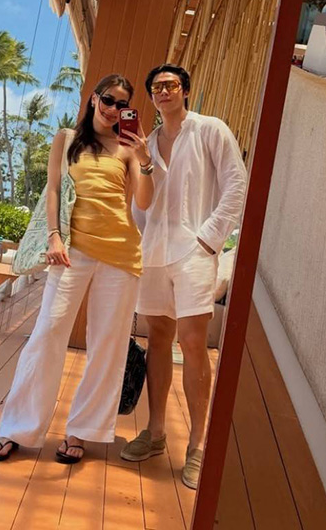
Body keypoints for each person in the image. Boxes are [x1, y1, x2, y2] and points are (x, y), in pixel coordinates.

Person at [0, 73, 154, 465]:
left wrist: (145, 160)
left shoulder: (128, 149)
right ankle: (17, 428)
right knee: (47, 334)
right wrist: (54, 237)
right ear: (94, 99)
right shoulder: (65, 139)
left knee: (107, 346)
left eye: (122, 105)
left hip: (122, 253)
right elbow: (54, 190)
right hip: (71, 249)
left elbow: (144, 203)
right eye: (108, 100)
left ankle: (82, 431)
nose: (113, 109)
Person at [121, 64, 247, 490]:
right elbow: (141, 204)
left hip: (194, 249)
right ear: (151, 97)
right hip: (155, 251)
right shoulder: (148, 142)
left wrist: (209, 240)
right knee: (158, 339)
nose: (164, 91)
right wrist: (141, 234)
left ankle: (197, 445)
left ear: (186, 90)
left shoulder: (210, 130)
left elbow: (236, 185)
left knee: (193, 343)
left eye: (171, 84)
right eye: (156, 87)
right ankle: (156, 432)